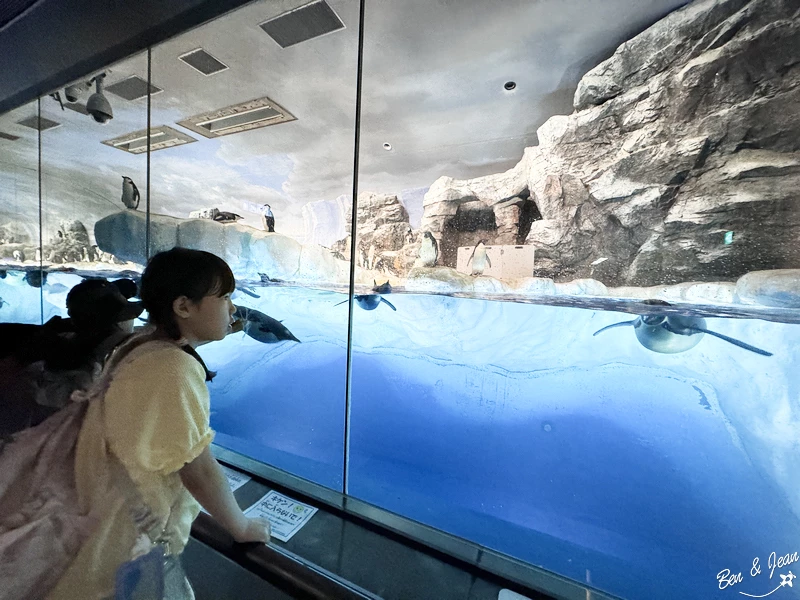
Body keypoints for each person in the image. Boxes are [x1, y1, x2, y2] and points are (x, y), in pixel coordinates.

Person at [46, 248, 270, 599]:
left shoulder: (141, 346)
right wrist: (241, 527)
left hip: (104, 519)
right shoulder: (173, 368)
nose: (233, 308)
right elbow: (196, 466)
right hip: (129, 541)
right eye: (225, 297)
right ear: (183, 306)